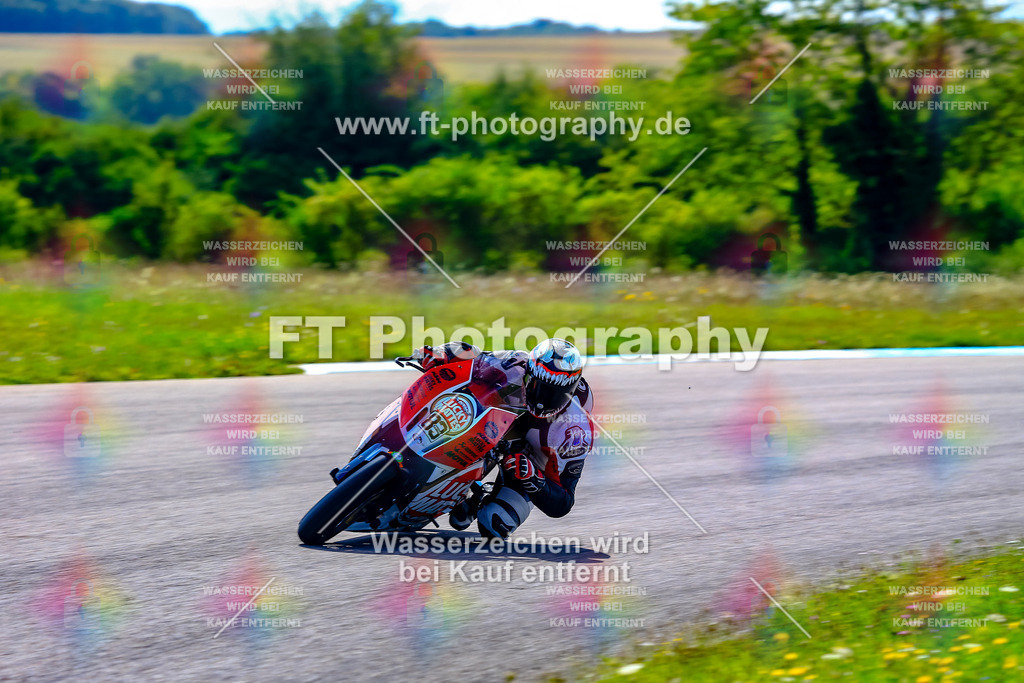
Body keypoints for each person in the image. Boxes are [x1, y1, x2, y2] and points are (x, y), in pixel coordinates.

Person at [411, 338, 595, 539]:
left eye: (553, 394)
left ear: (570, 391)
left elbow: (563, 503)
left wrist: (533, 478)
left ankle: (476, 498)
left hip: (535, 458)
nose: (542, 401)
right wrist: (440, 353)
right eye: (536, 386)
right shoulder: (517, 363)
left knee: (494, 523)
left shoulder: (574, 432)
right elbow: (474, 356)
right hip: (500, 425)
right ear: (529, 372)